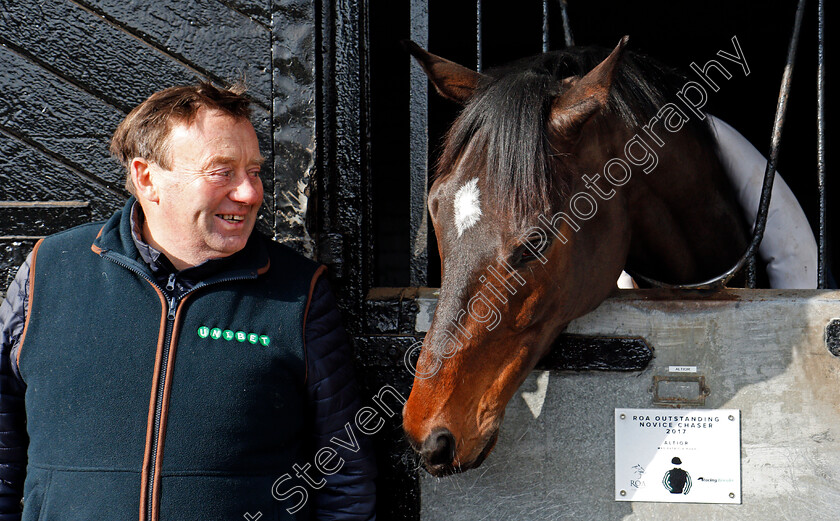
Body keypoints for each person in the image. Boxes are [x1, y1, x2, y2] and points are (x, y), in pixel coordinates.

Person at [0, 83, 376, 520]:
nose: (250, 194)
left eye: (254, 172)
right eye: (222, 171)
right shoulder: (49, 269)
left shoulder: (299, 289)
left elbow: (344, 471)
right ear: (147, 178)